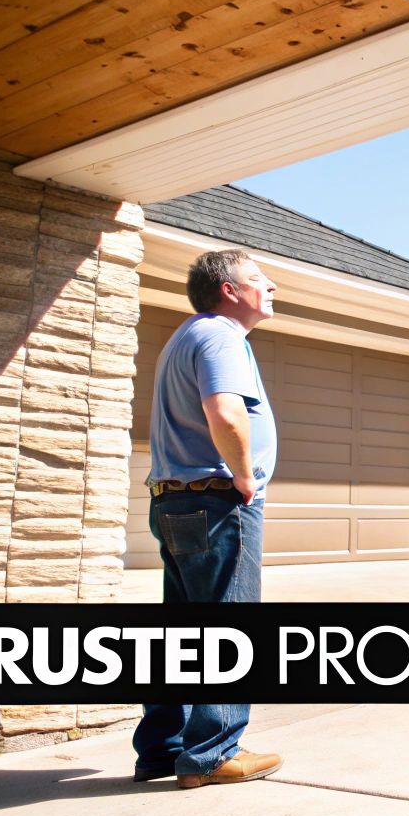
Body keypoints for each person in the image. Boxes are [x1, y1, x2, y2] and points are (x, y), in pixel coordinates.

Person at [131, 249, 285, 788]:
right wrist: (245, 477)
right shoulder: (221, 336)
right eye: (259, 279)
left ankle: (161, 748)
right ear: (229, 289)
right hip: (218, 499)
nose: (272, 288)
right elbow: (226, 412)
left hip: (176, 499)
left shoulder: (186, 336)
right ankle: (213, 753)